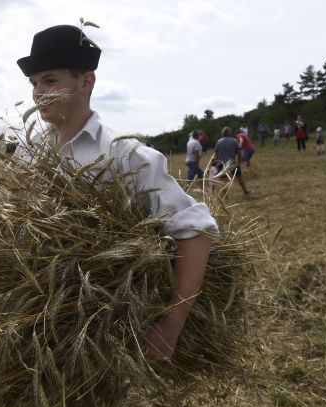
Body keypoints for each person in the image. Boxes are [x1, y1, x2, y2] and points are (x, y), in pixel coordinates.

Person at [14, 24, 218, 360]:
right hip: (29, 327)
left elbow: (195, 227)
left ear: (86, 81)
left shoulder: (123, 154)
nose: (38, 92)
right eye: (34, 83)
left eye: (50, 80)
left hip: (98, 333)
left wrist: (170, 326)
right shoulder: (26, 152)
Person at [212, 126, 251, 196]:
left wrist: (215, 163)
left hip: (221, 164)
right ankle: (245, 191)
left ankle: (225, 196)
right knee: (239, 177)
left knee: (223, 180)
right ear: (230, 133)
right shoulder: (234, 141)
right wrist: (239, 163)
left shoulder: (218, 141)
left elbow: (216, 154)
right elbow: (239, 153)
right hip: (232, 163)